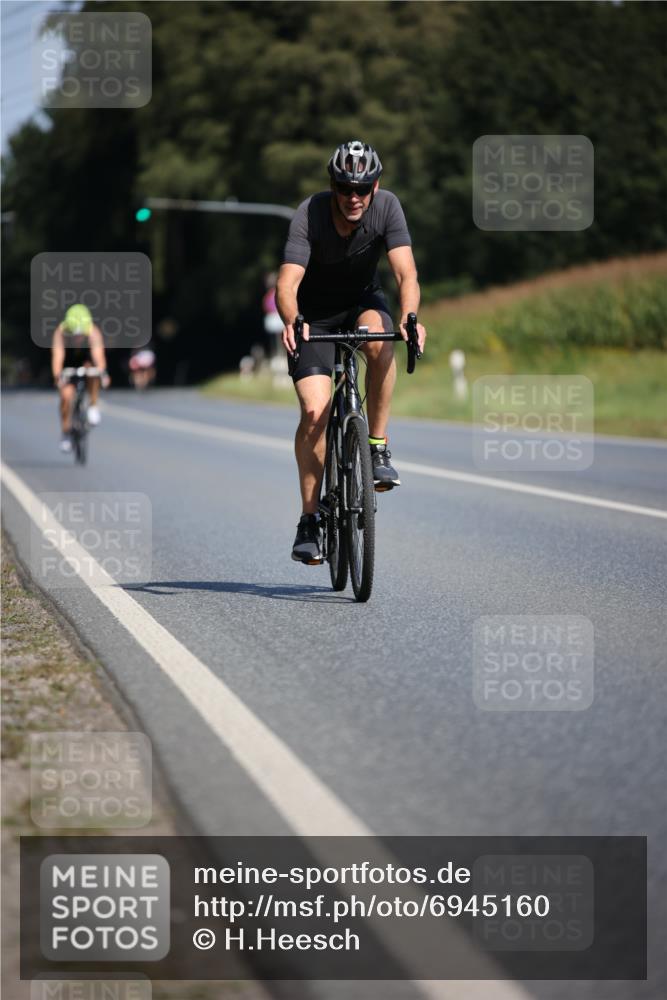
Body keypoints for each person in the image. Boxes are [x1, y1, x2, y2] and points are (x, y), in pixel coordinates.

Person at [276, 140, 426, 564]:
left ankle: (376, 445)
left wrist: (411, 318)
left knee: (379, 339)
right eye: (345, 188)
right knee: (313, 411)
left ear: (376, 187)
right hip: (314, 318)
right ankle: (309, 521)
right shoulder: (309, 214)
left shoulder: (388, 208)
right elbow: (286, 284)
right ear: (333, 185)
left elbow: (406, 272)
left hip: (362, 303)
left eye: (363, 188)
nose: (354, 198)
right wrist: (293, 319)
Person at [51, 304, 109, 452]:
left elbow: (99, 357)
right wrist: (58, 377)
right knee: (66, 396)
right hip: (68, 365)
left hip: (86, 362)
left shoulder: (92, 331)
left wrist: (103, 373)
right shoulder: (61, 332)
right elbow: (57, 358)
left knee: (94, 372)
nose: (77, 338)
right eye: (74, 335)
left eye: (80, 335)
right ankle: (65, 433)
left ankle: (93, 406)